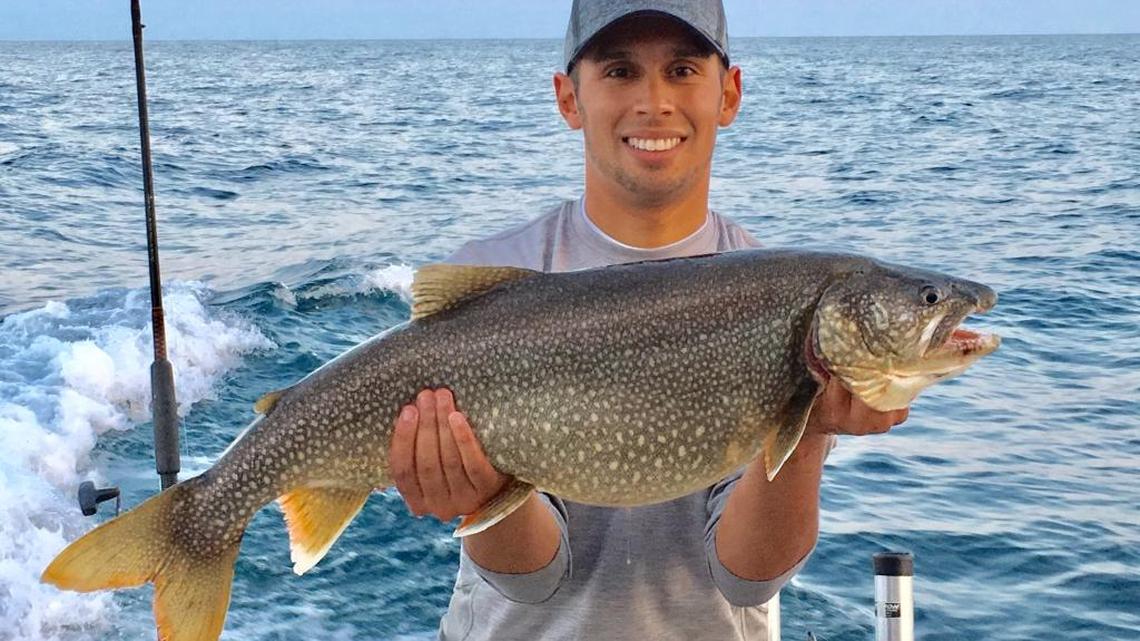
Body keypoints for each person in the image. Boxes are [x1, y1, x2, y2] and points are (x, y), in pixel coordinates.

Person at [387, 2, 910, 639]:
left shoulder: (780, 297)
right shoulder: (492, 283)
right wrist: (475, 495)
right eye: (620, 71)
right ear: (568, 98)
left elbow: (747, 576)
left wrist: (801, 436)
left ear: (730, 92)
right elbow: (532, 580)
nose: (654, 101)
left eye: (683, 69)